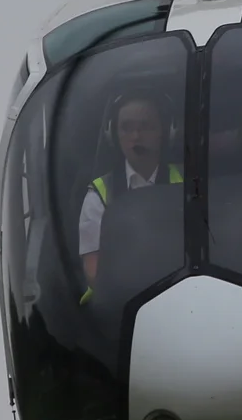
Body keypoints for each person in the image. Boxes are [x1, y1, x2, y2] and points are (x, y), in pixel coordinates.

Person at [77, 90, 182, 288]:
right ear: (114, 135)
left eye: (146, 127)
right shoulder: (99, 194)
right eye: (126, 128)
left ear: (166, 131)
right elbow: (93, 272)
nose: (136, 136)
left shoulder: (189, 183)